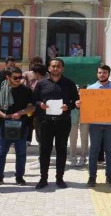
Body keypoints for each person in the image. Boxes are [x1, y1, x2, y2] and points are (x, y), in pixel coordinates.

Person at [32, 58, 80, 189]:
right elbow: (34, 100)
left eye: (58, 66)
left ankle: (60, 178)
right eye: (53, 66)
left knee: (61, 150)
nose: (55, 68)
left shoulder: (69, 84)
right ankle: (43, 178)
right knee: (44, 150)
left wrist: (68, 106)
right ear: (49, 68)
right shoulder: (41, 84)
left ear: (62, 69)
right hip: (45, 122)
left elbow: (76, 101)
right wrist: (40, 104)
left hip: (63, 122)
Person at [0, 67, 35, 187]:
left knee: (21, 153)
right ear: (7, 77)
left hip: (21, 125)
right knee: (1, 153)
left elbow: (32, 107)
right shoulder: (0, 90)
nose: (19, 80)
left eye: (20, 77)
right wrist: (3, 115)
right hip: (3, 125)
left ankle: (19, 177)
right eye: (15, 78)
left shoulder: (26, 90)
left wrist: (21, 113)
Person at [85, 65, 111, 188]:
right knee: (94, 151)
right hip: (95, 124)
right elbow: (86, 107)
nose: (102, 75)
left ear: (109, 74)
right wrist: (80, 103)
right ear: (97, 74)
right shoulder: (90, 89)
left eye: (104, 72)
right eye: (100, 73)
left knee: (110, 151)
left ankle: (109, 176)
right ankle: (92, 176)